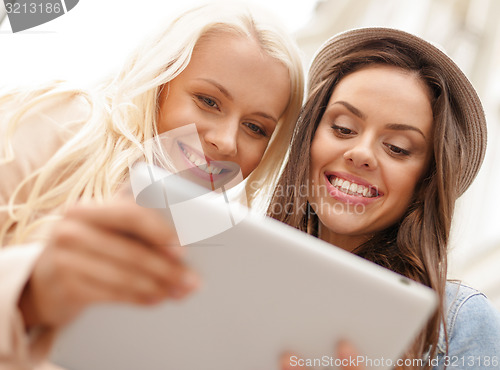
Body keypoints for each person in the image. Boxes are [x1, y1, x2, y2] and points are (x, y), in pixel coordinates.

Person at [0, 1, 304, 368]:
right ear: (160, 80)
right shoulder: (64, 125)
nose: (226, 142)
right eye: (208, 101)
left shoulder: (227, 248)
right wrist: (30, 294)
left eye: (256, 128)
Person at [268, 28, 500, 369]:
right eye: (343, 128)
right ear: (309, 137)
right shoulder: (227, 269)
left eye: (397, 148)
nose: (361, 153)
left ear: (425, 182)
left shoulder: (460, 324)